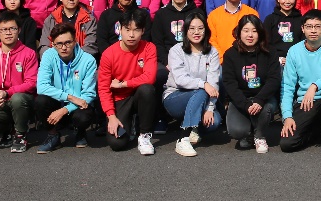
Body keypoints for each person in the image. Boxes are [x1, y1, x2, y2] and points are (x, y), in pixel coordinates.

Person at [279, 10, 321, 156]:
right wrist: (287, 116)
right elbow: (288, 86)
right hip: (306, 101)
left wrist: (315, 85)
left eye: (318, 26)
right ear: (303, 29)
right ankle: (315, 131)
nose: (313, 30)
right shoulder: (294, 51)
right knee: (287, 144)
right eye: (309, 26)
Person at [0, 14, 40, 153]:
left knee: (17, 99)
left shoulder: (28, 53)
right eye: (4, 29)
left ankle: (21, 134)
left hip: (22, 101)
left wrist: (7, 92)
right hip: (1, 101)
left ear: (19, 30)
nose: (8, 33)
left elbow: (31, 82)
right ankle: (8, 129)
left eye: (12, 28)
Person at [98, 8, 159, 154]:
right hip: (120, 99)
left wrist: (123, 84)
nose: (131, 35)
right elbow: (104, 88)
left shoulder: (149, 47)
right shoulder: (108, 54)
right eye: (127, 29)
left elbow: (150, 77)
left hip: (139, 95)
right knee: (117, 143)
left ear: (143, 31)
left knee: (147, 89)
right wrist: (111, 116)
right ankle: (130, 122)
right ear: (119, 29)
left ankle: (144, 135)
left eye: (136, 30)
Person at [162, 12, 223, 157]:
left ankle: (194, 127)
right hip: (175, 97)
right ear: (186, 30)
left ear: (206, 30)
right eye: (192, 28)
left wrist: (210, 108)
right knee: (201, 90)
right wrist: (203, 84)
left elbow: (214, 83)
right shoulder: (176, 50)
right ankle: (183, 138)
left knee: (214, 122)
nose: (196, 32)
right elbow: (180, 79)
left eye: (200, 28)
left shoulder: (212, 52)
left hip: (202, 99)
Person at [34, 22, 99, 153]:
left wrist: (64, 110)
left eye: (68, 42)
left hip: (78, 106)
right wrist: (70, 97)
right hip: (59, 102)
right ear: (53, 44)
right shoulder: (48, 56)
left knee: (84, 115)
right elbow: (41, 87)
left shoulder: (88, 60)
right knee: (40, 101)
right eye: (59, 44)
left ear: (75, 41)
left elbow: (88, 95)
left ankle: (80, 132)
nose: (64, 47)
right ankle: (53, 135)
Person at [221, 15, 280, 153]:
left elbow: (274, 79)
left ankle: (259, 135)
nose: (250, 35)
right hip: (241, 99)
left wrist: (259, 100)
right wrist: (245, 104)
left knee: (266, 109)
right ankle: (248, 133)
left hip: (264, 98)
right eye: (246, 30)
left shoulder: (270, 52)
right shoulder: (230, 54)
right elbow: (229, 83)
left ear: (260, 32)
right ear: (239, 32)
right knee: (236, 131)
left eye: (254, 31)